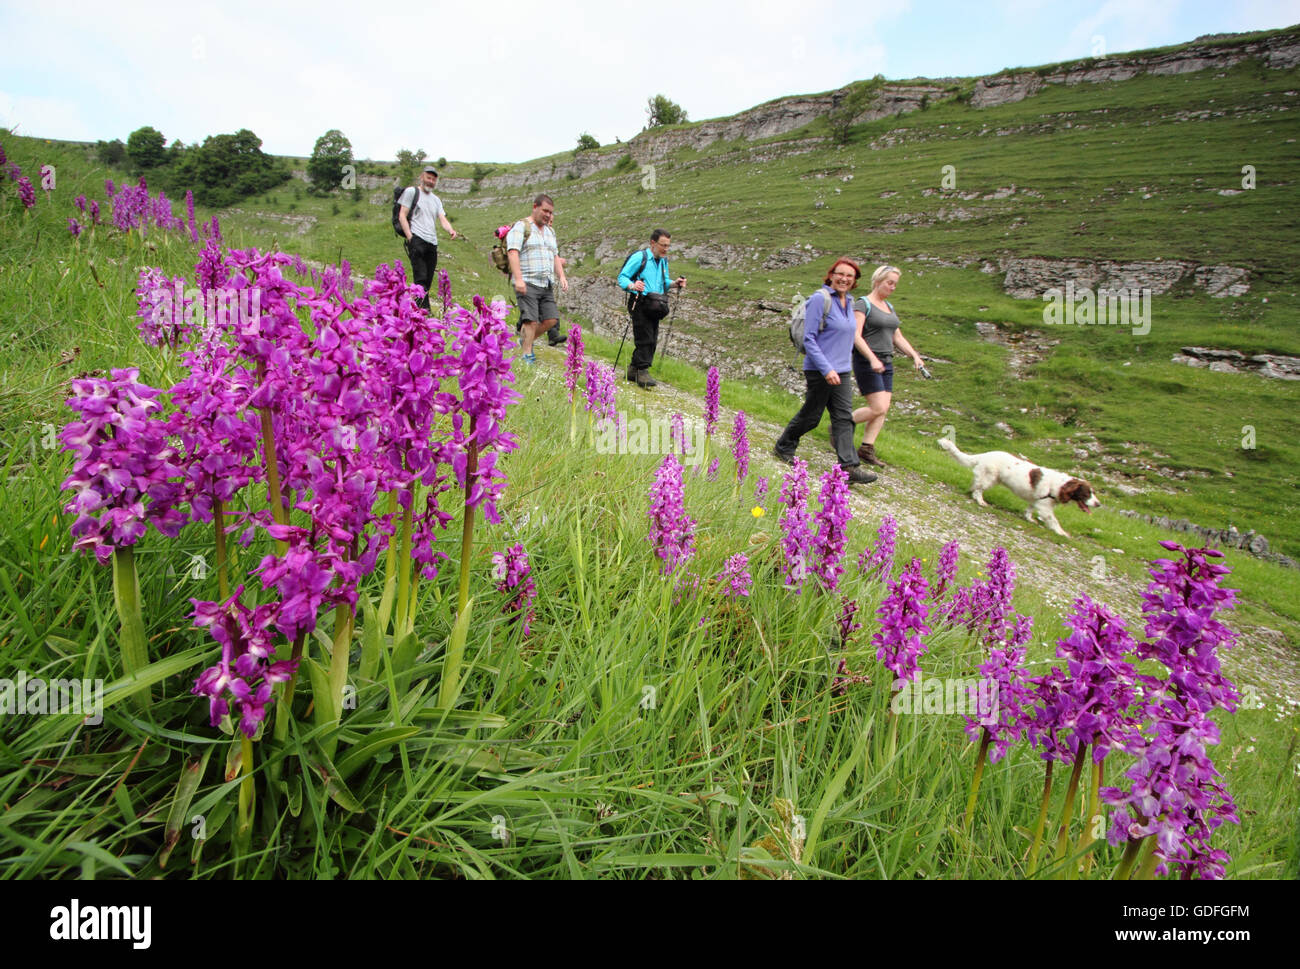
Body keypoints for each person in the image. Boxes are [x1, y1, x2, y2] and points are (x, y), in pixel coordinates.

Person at [774, 259, 878, 485]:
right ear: (831, 275)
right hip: (820, 370)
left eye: (850, 276)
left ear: (855, 281)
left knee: (843, 418)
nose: (844, 279)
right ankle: (784, 445)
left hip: (842, 371)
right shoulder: (820, 299)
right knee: (811, 416)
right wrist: (826, 368)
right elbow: (809, 339)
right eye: (840, 274)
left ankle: (849, 466)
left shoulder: (849, 302)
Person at [850, 265, 926, 467]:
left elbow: (897, 336)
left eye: (895, 284)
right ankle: (843, 424)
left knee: (883, 409)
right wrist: (872, 358)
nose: (893, 287)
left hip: (886, 360)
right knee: (878, 406)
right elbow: (856, 335)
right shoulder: (862, 304)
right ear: (877, 281)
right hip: (867, 360)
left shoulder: (889, 307)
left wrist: (914, 355)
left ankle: (866, 448)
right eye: (889, 283)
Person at [618, 229, 686, 389]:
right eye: (663, 245)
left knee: (652, 337)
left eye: (668, 246)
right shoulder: (639, 258)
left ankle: (633, 370)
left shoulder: (663, 261)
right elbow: (622, 277)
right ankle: (643, 371)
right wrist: (632, 285)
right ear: (653, 243)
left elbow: (663, 281)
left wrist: (675, 284)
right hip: (640, 301)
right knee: (645, 338)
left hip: (656, 304)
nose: (666, 249)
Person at [507, 194, 568, 365]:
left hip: (546, 283)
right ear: (535, 207)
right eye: (545, 211)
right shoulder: (521, 227)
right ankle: (527, 356)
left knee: (551, 319)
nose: (548, 215)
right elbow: (513, 252)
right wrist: (518, 279)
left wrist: (561, 276)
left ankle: (526, 340)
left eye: (550, 212)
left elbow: (555, 256)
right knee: (530, 320)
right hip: (527, 281)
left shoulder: (550, 231)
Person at [397, 166, 458, 310]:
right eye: (428, 178)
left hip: (432, 243)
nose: (430, 181)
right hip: (417, 238)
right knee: (421, 278)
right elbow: (402, 215)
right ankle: (423, 312)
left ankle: (417, 309)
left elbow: (442, 218)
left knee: (428, 281)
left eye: (433, 179)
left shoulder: (436, 200)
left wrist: (451, 230)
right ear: (421, 177)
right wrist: (410, 237)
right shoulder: (412, 192)